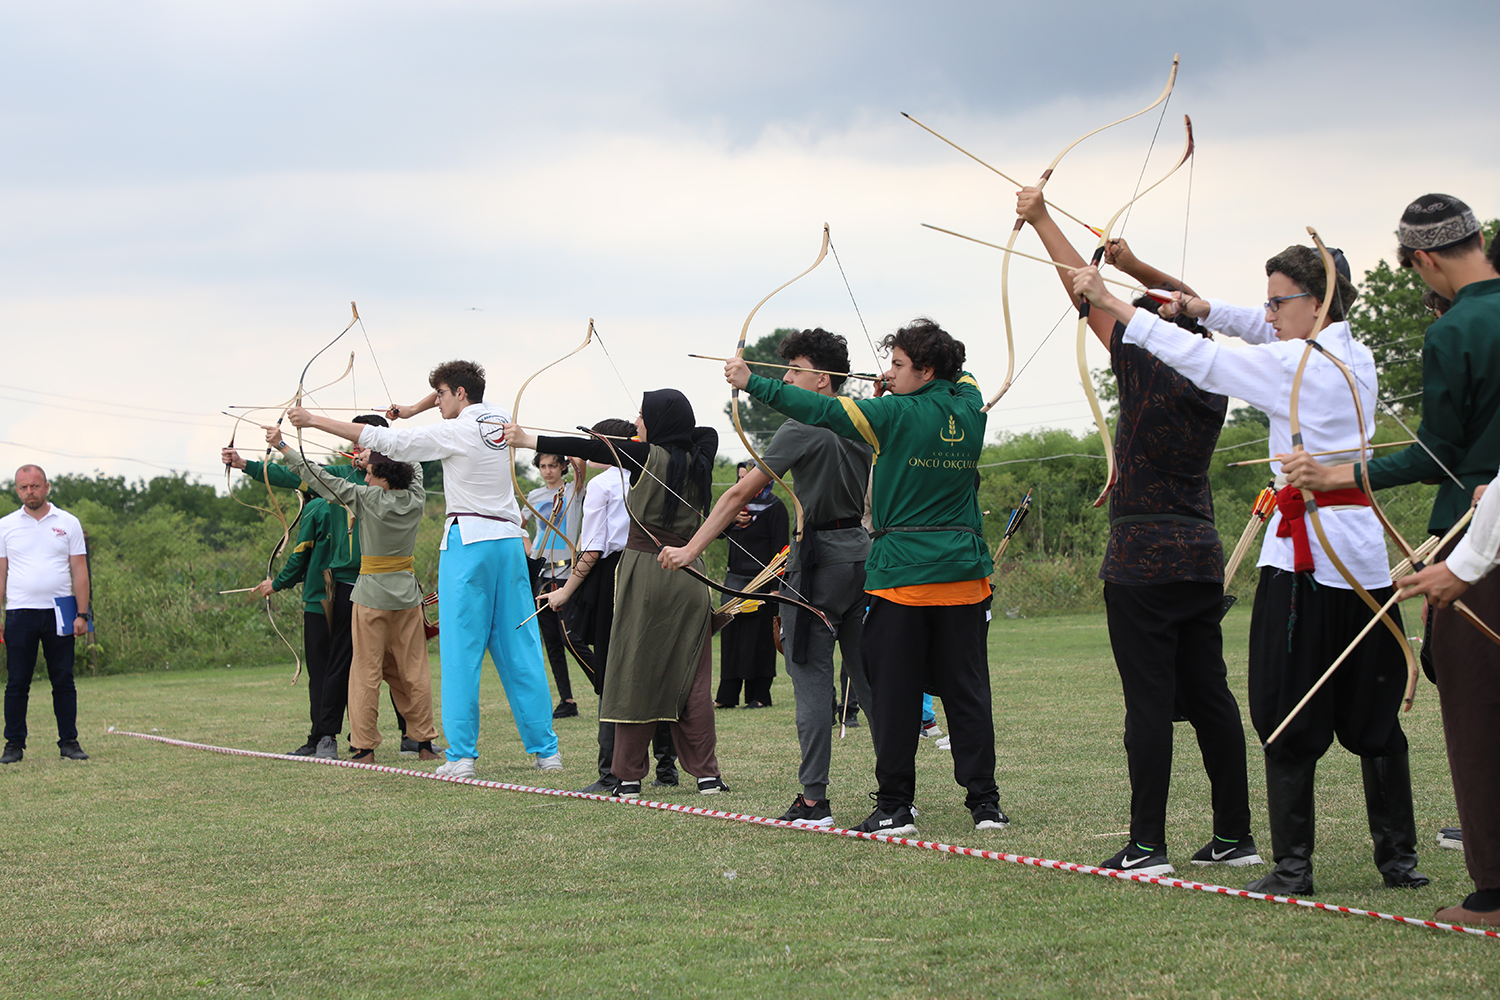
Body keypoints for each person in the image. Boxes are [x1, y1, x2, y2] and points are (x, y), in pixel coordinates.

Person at [1073, 241, 1426, 895]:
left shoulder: (1297, 366)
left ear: (1315, 303)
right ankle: (1397, 860)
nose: (1266, 313)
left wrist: (1112, 302)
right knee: (1376, 715)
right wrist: (1200, 304)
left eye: (1277, 300)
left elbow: (1202, 358)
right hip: (1364, 565)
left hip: (1308, 563)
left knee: (1282, 709)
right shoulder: (1354, 351)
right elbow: (1240, 325)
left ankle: (1294, 867)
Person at [1019, 190, 1257, 878]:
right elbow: (1186, 302)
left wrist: (1041, 221)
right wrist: (1136, 264)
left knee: (1149, 700)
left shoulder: (1146, 361)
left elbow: (1083, 291)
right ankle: (1235, 836)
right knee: (1208, 692)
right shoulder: (1210, 375)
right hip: (1198, 551)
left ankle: (1148, 846)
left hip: (1143, 559)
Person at [1288, 193, 1500, 926]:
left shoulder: (1457, 330)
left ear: (1425, 259)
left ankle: (1492, 896)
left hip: (1477, 544)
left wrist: (1338, 473)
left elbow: (1438, 455)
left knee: (1476, 715)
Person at [725, 319, 1007, 836]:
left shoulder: (892, 415)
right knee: (968, 691)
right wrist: (911, 380)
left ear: (924, 370)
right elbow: (962, 378)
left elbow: (822, 410)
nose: (888, 373)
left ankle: (895, 806)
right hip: (966, 575)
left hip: (902, 577)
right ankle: (985, 804)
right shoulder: (970, 407)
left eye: (898, 365)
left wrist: (753, 383)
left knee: (895, 693)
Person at [285, 360, 561, 779]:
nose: (439, 402)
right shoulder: (502, 419)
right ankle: (547, 753)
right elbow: (448, 400)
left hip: (468, 544)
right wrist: (415, 409)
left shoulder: (454, 430)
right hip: (508, 544)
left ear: (459, 394)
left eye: (443, 395)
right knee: (521, 651)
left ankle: (462, 758)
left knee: (460, 652)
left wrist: (311, 421)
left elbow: (379, 439)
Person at [663, 327, 874, 828]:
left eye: (795, 370)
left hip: (818, 563)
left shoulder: (801, 427)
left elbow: (739, 495)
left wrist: (692, 548)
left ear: (822, 380)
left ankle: (813, 799)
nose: (786, 378)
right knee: (870, 681)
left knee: (812, 681)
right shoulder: (866, 421)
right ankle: (895, 794)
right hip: (862, 558)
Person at [504, 390, 729, 798]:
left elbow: (582, 447)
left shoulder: (644, 457)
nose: (637, 423)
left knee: (631, 672)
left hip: (646, 571)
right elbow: (703, 431)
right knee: (693, 677)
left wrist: (528, 441)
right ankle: (707, 775)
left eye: (643, 417)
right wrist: (663, 430)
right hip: (690, 572)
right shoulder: (702, 454)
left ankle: (626, 777)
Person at [223, 413, 425, 760]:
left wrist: (284, 445)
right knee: (407, 668)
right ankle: (414, 741)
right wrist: (247, 465)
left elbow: (312, 474)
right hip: (391, 592)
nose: (361, 462)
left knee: (368, 671)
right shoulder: (409, 493)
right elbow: (299, 475)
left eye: (369, 453)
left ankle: (375, 744)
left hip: (368, 592)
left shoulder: (365, 495)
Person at [2, 465, 91, 764]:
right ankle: (14, 744)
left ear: (47, 486)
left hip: (61, 610)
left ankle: (69, 742)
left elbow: (79, 570)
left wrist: (82, 613)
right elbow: (0, 573)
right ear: (17, 491)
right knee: (17, 682)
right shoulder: (5, 526)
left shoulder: (68, 522)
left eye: (35, 486)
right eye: (24, 487)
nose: (31, 492)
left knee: (63, 679)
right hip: (18, 612)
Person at [712, 462, 788, 709]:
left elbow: (781, 551)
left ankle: (759, 696)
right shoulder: (733, 506)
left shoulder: (775, 508)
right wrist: (731, 517)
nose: (743, 481)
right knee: (732, 637)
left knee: (759, 640)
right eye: (740, 477)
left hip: (763, 583)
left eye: (749, 477)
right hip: (734, 581)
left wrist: (776, 587)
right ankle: (727, 695)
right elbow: (715, 533)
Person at [521, 451, 591, 719]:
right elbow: (518, 525)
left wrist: (575, 455)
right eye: (543, 466)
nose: (548, 470)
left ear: (563, 466)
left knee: (569, 636)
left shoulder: (573, 490)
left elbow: (582, 468)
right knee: (550, 639)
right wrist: (530, 549)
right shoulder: (535, 495)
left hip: (566, 574)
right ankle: (567, 700)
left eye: (553, 465)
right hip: (542, 574)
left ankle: (603, 683)